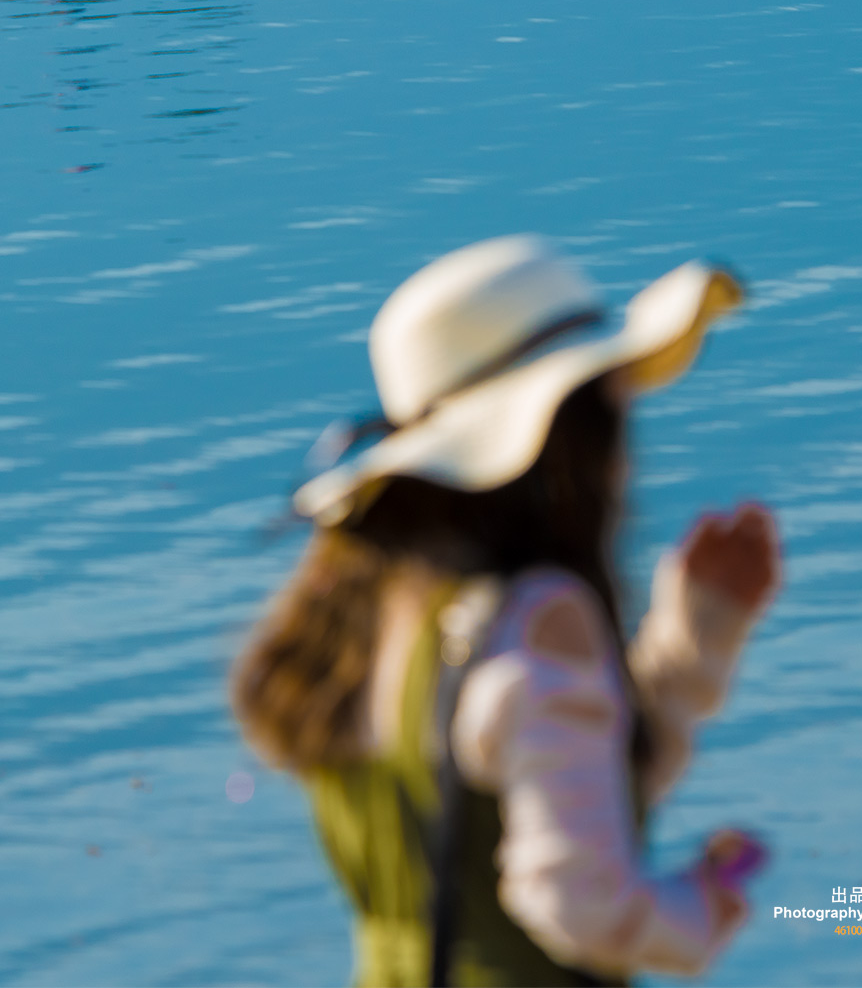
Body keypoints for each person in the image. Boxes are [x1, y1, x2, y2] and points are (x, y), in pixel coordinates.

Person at [233, 235, 781, 987]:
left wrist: (695, 640)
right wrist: (707, 903)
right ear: (568, 433)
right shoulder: (539, 619)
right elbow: (580, 901)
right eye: (612, 406)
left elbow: (546, 794)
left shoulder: (360, 606)